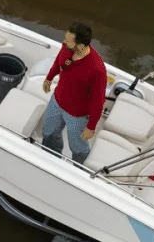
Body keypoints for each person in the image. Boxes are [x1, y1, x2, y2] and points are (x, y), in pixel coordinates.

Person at [40, 21, 107, 164]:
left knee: (78, 147)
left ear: (81, 47)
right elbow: (59, 61)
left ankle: (80, 169)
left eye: (68, 41)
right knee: (49, 133)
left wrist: (91, 127)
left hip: (77, 115)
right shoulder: (66, 47)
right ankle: (50, 159)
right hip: (57, 102)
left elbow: (98, 101)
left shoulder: (97, 70)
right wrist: (49, 77)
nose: (64, 42)